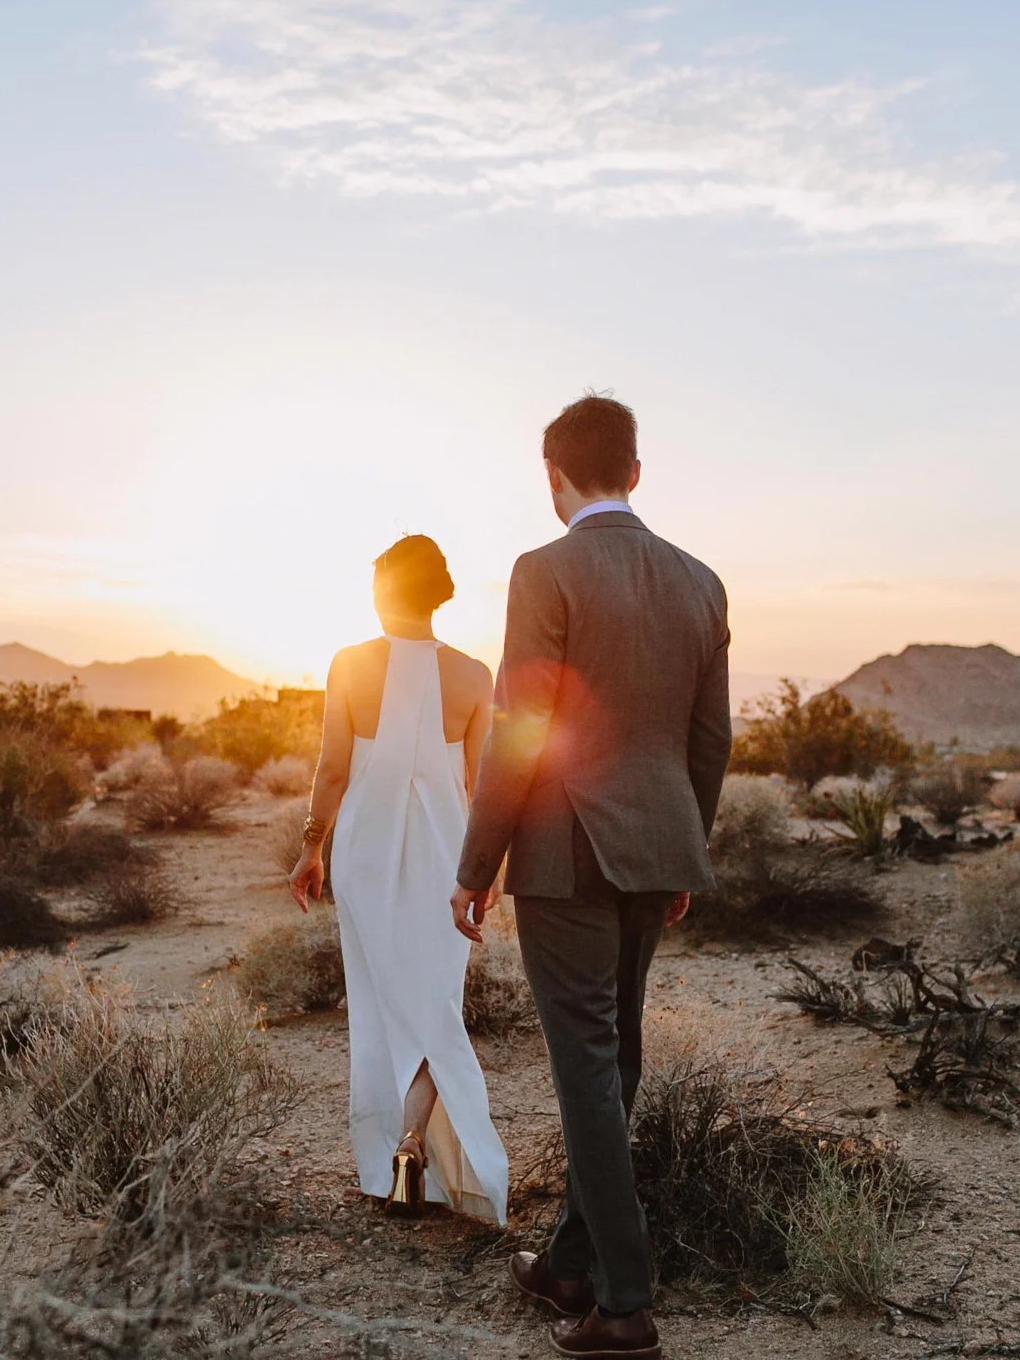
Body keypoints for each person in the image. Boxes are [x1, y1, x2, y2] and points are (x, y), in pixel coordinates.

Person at [451, 395, 730, 1360]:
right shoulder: (702, 582)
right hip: (655, 847)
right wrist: (683, 845)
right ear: (637, 474)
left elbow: (522, 728)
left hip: (566, 852)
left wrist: (476, 863)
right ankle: (572, 1263)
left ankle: (625, 1302)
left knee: (586, 1072)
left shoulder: (545, 570)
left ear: (554, 479)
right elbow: (710, 739)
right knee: (617, 1062)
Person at [289, 534, 510, 1225]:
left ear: (384, 592)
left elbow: (330, 768)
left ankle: (396, 1151)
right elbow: (479, 783)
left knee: (386, 1001)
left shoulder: (350, 664)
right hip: (448, 852)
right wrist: (489, 865)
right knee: (435, 1001)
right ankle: (415, 1140)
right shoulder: (474, 675)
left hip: (366, 850)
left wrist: (311, 845)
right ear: (438, 593)